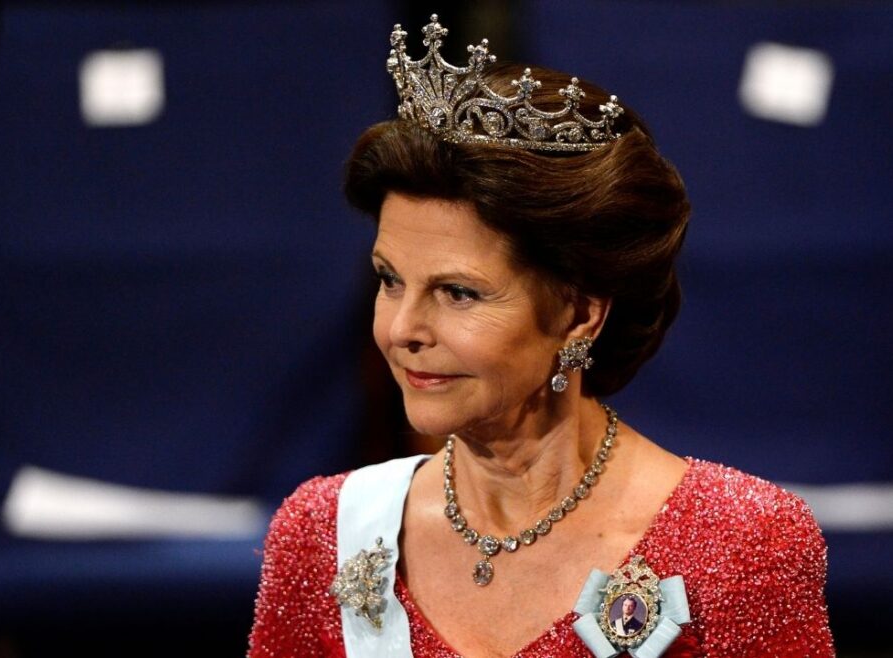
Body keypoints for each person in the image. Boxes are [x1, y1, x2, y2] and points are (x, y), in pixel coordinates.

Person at [248, 14, 833, 658]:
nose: (402, 330)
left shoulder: (742, 543)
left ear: (580, 314)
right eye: (390, 281)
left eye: (458, 293)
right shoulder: (323, 534)